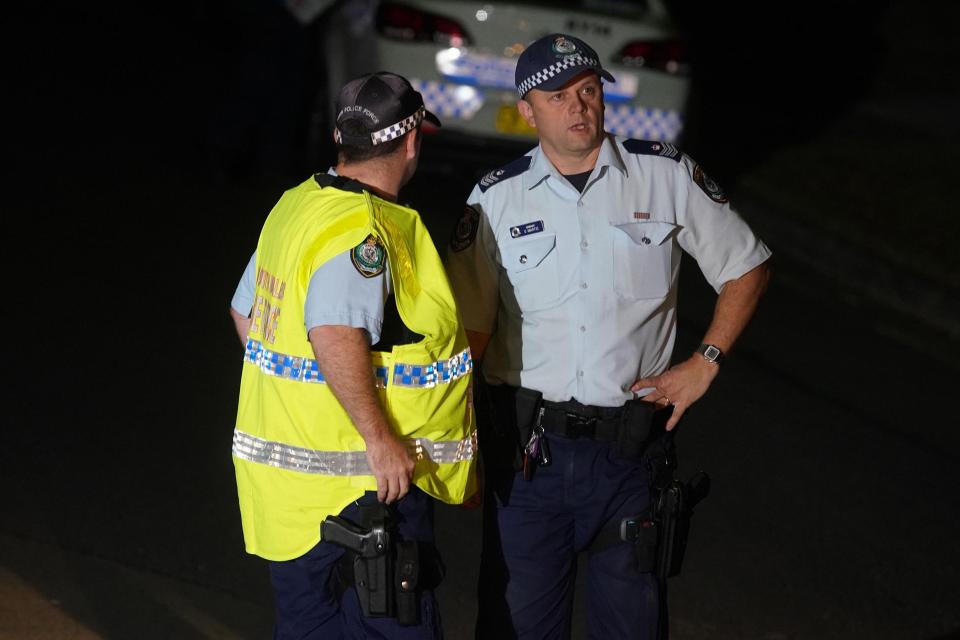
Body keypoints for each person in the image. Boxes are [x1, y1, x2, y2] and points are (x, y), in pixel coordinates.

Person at [444, 34, 772, 639]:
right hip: (527, 459)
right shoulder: (495, 198)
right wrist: (456, 443)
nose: (579, 107)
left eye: (589, 91)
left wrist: (706, 360)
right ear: (528, 110)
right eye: (560, 95)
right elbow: (470, 334)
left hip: (631, 459)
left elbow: (746, 265)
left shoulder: (665, 175)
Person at [229, 71, 477, 639]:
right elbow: (335, 332)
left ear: (344, 140)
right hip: (364, 493)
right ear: (413, 142)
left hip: (292, 497)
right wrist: (377, 437)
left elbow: (248, 314)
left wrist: (299, 400)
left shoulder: (297, 204)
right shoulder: (363, 230)